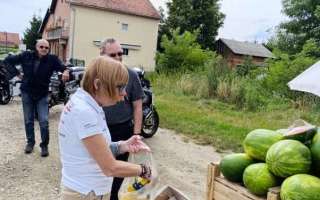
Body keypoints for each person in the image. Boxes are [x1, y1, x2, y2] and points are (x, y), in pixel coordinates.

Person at [58, 56, 151, 200]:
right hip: (87, 192)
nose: (124, 93)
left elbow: (95, 150)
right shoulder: (85, 112)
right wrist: (143, 170)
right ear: (97, 84)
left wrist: (123, 146)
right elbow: (110, 167)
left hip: (88, 189)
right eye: (120, 87)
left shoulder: (89, 103)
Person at [3, 39, 69, 157]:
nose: (44, 49)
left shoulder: (52, 59)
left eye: (46, 48)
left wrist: (66, 71)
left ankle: (44, 145)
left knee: (43, 121)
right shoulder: (26, 55)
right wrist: (17, 73)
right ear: (36, 47)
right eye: (41, 47)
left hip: (42, 94)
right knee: (28, 120)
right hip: (27, 92)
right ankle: (30, 143)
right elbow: (7, 61)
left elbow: (63, 67)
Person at [100, 38, 144, 200]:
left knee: (119, 171)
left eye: (120, 53)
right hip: (100, 129)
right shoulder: (96, 76)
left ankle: (113, 195)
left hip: (123, 128)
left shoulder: (131, 75)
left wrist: (137, 133)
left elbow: (138, 106)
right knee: (101, 168)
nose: (118, 57)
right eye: (113, 54)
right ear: (102, 56)